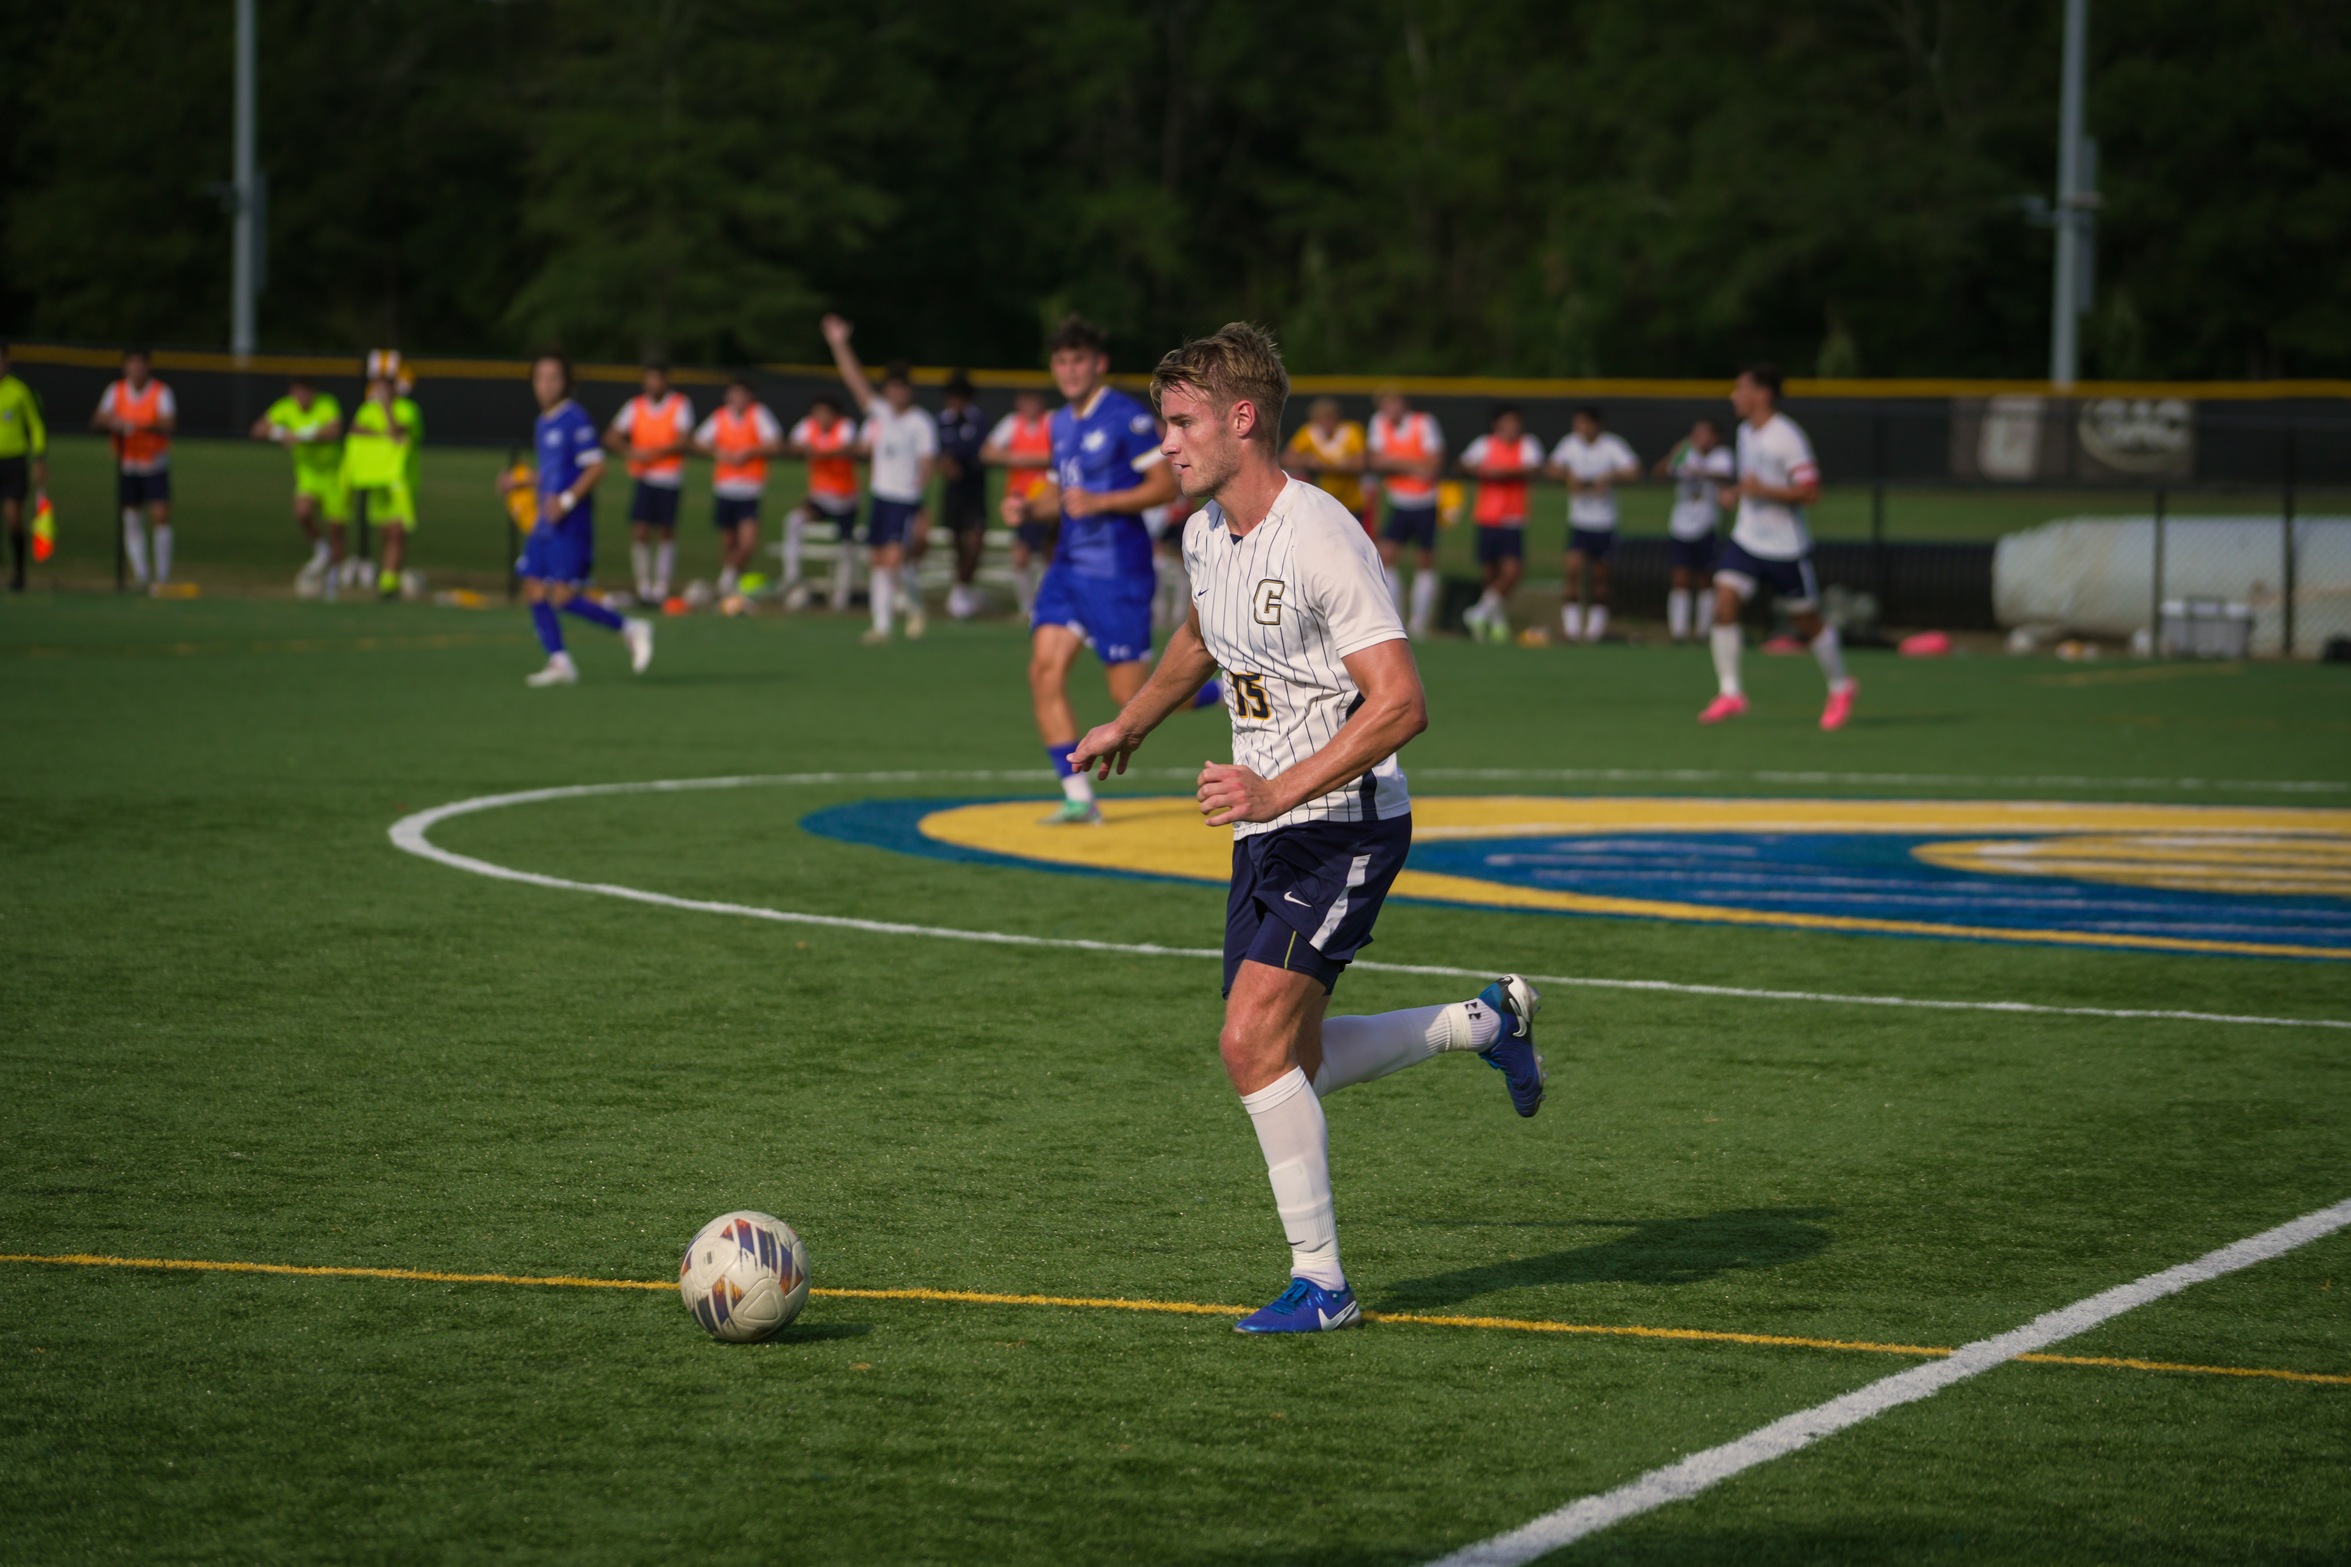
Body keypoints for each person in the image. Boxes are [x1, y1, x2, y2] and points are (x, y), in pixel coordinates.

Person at [1069, 322, 1545, 1335]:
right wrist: (1129, 720)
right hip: (1270, 828)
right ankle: (1485, 1020)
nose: (1168, 442)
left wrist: (1277, 790)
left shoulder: (1322, 533)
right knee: (1291, 1059)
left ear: (1244, 420)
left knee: (1248, 1042)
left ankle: (1323, 1285)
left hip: (1345, 827)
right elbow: (1200, 634)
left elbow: (1400, 701)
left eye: (1182, 421)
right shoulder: (1204, 532)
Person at [1002, 315, 1176, 823]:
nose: (1070, 370)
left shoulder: (1127, 418)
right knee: (1043, 673)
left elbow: (1168, 487)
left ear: (1098, 364)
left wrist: (1102, 500)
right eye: (1061, 361)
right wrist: (1026, 507)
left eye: (1078, 360)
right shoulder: (1060, 422)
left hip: (1118, 572)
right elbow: (1061, 493)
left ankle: (1224, 691)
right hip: (1067, 569)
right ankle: (1078, 798)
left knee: (1133, 697)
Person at [1702, 365, 1855, 730]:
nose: (1733, 396)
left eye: (1741, 389)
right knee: (1723, 605)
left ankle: (1841, 685)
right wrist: (1736, 492)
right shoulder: (1744, 432)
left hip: (1785, 548)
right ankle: (1730, 693)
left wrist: (1761, 492)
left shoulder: (1787, 437)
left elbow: (1811, 491)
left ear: (1763, 395)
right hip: (1747, 540)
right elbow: (1752, 482)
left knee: (1807, 622)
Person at [499, 352, 653, 686]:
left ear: (566, 382)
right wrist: (522, 481)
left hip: (570, 521)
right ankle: (559, 662)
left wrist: (567, 501)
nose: (546, 384)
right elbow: (554, 473)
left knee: (562, 597)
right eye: (540, 377)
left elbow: (597, 466)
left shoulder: (575, 419)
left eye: (553, 377)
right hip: (545, 521)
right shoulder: (543, 422)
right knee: (533, 586)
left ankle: (630, 628)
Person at [822, 316, 938, 644]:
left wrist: (920, 491)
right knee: (877, 560)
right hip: (882, 495)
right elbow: (854, 380)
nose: (896, 393)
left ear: (909, 391)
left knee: (895, 560)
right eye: (891, 387)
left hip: (906, 498)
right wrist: (839, 343)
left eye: (902, 387)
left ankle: (911, 606)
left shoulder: (920, 422)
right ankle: (883, 624)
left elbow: (927, 461)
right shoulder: (881, 414)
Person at [1547, 405, 1639, 644]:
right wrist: (1569, 477)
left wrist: (1609, 477)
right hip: (1579, 521)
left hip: (1604, 522)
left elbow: (1633, 470)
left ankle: (1594, 631)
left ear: (1595, 425)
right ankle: (1572, 628)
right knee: (1572, 570)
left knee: (1600, 577)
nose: (1579, 429)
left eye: (1583, 424)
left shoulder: (1611, 446)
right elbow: (1552, 467)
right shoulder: (1570, 444)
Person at [604, 362, 694, 603]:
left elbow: (684, 439)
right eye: (649, 379)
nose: (653, 384)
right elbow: (611, 436)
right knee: (641, 529)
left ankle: (661, 586)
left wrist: (655, 452)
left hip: (669, 477)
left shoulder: (679, 404)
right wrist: (631, 451)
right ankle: (643, 585)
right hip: (644, 478)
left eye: (658, 379)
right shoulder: (636, 406)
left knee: (666, 531)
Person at [251, 373, 347, 599]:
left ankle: (333, 581)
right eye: (297, 391)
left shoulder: (327, 404)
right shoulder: (286, 408)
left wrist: (302, 435)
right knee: (302, 512)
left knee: (336, 528)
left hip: (334, 473)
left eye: (305, 391)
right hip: (308, 474)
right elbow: (258, 429)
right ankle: (321, 550)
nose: (301, 396)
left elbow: (333, 430)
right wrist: (280, 433)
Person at [691, 374, 784, 600]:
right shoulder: (720, 416)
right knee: (729, 542)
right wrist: (718, 452)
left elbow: (775, 443)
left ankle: (727, 579)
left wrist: (750, 452)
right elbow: (698, 440)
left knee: (747, 542)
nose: (737, 398)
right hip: (725, 487)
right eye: (734, 393)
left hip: (750, 488)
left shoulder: (759, 414)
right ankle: (734, 587)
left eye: (742, 394)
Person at [90, 348, 176, 592]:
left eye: (141, 364)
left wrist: (137, 426)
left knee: (161, 515)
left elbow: (168, 422)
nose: (136, 369)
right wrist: (113, 423)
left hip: (153, 462)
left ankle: (162, 576)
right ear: (125, 367)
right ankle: (141, 574)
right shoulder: (116, 391)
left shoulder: (161, 391)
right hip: (127, 463)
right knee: (131, 517)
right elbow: (97, 419)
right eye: (132, 364)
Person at [1457, 406, 1542, 641]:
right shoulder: (1485, 444)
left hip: (1513, 516)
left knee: (1513, 570)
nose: (1512, 428)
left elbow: (1532, 467)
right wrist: (1483, 470)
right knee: (1490, 572)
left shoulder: (1527, 445)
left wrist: (1501, 472)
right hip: (1488, 515)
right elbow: (1465, 464)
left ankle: (1479, 612)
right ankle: (1496, 623)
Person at [341, 352, 422, 598]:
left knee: (397, 531)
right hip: (376, 480)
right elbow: (355, 430)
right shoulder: (367, 409)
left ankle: (389, 583)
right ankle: (391, 574)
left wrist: (386, 408)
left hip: (400, 482)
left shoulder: (408, 409)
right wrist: (381, 434)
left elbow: (398, 432)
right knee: (385, 531)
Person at [1367, 389, 1445, 637]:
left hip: (1425, 501)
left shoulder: (1424, 423)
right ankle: (1396, 618)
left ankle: (1419, 622)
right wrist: (1412, 465)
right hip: (1398, 500)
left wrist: (1395, 462)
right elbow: (1377, 461)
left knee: (1425, 560)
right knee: (1387, 557)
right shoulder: (1379, 423)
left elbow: (1433, 464)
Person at [1657, 416, 1734, 642]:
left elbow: (1724, 475)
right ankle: (1679, 631)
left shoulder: (1722, 456)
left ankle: (1703, 631)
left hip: (1707, 524)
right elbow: (1660, 472)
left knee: (1705, 579)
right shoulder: (1685, 454)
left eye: (1705, 434)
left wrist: (1699, 472)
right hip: (1681, 525)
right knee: (1680, 577)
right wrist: (1673, 455)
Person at [982, 387, 1056, 617]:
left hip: (1048, 499)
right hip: (1021, 500)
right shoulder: (1012, 424)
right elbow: (987, 452)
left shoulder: (1052, 421)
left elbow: (1063, 453)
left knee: (1049, 552)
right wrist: (1014, 458)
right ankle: (1027, 607)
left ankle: (1048, 603)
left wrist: (1032, 460)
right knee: (1021, 555)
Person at [783, 394, 861, 611]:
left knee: (846, 546)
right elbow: (792, 445)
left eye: (825, 412)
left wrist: (820, 452)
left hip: (844, 497)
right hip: (819, 496)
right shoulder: (809, 426)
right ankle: (792, 574)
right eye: (817, 412)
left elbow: (848, 447)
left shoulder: (845, 427)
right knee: (794, 520)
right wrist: (804, 449)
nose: (821, 417)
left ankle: (841, 594)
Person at [933, 371, 990, 619]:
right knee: (956, 541)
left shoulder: (978, 421)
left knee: (976, 540)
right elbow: (935, 450)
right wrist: (943, 463)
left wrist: (956, 460)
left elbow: (979, 450)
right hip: (953, 491)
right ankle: (963, 589)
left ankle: (962, 588)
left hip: (974, 489)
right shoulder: (940, 422)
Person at [0, 345, 50, 593]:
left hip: (13, 461)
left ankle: (19, 572)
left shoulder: (19, 391)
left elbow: (36, 426)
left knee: (13, 518)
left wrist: (40, 457)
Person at [1282, 396, 1370, 534]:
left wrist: (1323, 465)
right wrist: (1306, 460)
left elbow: (1359, 464)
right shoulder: (1309, 433)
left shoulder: (1351, 431)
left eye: (1330, 418)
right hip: (1324, 500)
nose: (1326, 423)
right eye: (1321, 419)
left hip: (1352, 501)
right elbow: (1287, 459)